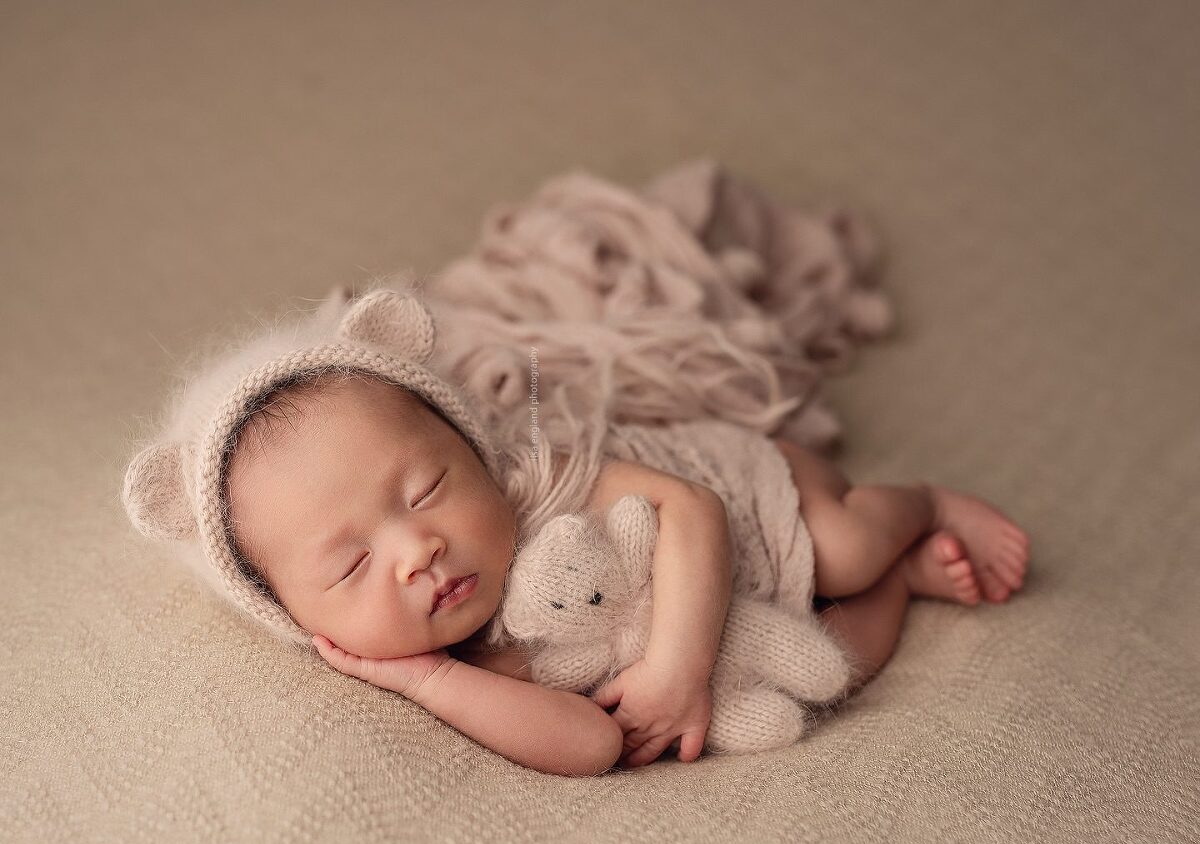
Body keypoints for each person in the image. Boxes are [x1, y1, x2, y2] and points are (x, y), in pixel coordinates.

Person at [122, 287, 1029, 777]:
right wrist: (432, 678)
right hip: (747, 633)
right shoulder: (450, 661)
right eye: (352, 564)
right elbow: (590, 746)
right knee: (839, 664)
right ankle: (904, 585)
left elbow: (694, 509)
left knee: (844, 548)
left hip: (758, 502)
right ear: (297, 619)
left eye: (429, 486)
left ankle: (918, 506)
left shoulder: (546, 483)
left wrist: (674, 672)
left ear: (475, 451)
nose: (416, 551)